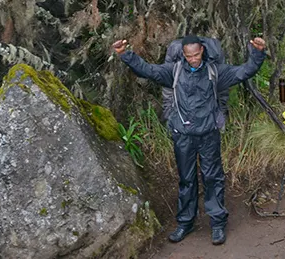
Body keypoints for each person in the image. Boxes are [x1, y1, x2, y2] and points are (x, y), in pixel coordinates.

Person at [112, 35, 267, 245]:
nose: (193, 59)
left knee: (213, 178)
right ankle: (185, 223)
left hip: (208, 134)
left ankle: (218, 223)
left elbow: (244, 71)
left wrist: (257, 54)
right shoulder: (173, 71)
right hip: (183, 135)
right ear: (183, 54)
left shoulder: (215, 71)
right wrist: (125, 54)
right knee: (186, 179)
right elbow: (147, 70)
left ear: (202, 50)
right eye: (189, 56)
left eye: (196, 54)